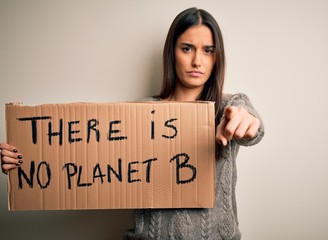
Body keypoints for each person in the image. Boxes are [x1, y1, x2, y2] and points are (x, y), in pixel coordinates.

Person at [1, 7, 264, 240]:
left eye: (208, 51)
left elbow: (253, 127)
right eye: (187, 48)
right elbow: (86, 162)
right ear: (172, 53)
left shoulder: (228, 107)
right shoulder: (139, 112)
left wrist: (245, 121)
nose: (197, 61)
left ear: (217, 57)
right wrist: (24, 159)